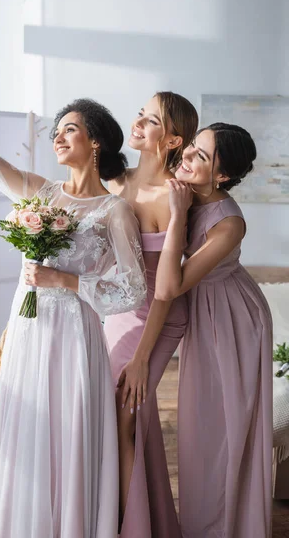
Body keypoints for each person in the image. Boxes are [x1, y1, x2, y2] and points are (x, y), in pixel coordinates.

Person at [0, 60, 147, 538]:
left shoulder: (114, 210)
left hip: (77, 337)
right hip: (27, 331)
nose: (58, 138)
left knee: (69, 432)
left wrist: (67, 283)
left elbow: (137, 288)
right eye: (57, 131)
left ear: (95, 141)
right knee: (28, 432)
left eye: (69, 130)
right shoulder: (41, 193)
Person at [155, 123, 273, 538]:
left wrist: (174, 215)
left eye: (200, 157)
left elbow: (170, 286)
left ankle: (233, 528)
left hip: (234, 322)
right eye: (191, 148)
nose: (186, 157)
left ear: (221, 176)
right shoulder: (188, 190)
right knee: (198, 430)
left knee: (225, 429)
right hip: (205, 318)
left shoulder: (229, 223)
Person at [105, 92, 198, 537]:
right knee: (117, 416)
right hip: (117, 315)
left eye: (152, 119)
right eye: (140, 113)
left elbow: (164, 292)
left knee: (123, 417)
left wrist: (142, 358)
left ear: (174, 138)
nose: (138, 122)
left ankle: (133, 529)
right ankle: (139, 517)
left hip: (155, 321)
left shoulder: (174, 197)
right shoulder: (116, 182)